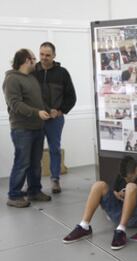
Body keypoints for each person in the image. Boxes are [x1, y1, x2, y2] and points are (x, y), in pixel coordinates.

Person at [62, 156, 137, 250]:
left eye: (130, 177)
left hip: (136, 217)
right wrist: (118, 195)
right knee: (99, 185)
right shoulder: (122, 175)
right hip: (118, 213)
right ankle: (84, 226)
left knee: (131, 186)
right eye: (125, 178)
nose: (126, 180)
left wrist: (131, 199)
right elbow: (114, 191)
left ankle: (121, 231)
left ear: (136, 170)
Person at [3, 49, 52, 207]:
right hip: (22, 129)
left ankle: (34, 191)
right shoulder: (11, 80)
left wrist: (47, 109)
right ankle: (14, 195)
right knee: (22, 162)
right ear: (26, 60)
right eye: (33, 58)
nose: (36, 61)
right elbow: (15, 104)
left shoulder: (31, 78)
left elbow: (37, 100)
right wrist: (37, 113)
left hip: (37, 127)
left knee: (35, 162)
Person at [33, 42, 77, 194]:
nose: (44, 58)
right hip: (36, 119)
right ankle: (34, 183)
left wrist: (60, 111)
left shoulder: (62, 73)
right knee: (35, 151)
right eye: (41, 54)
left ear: (54, 56)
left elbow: (71, 97)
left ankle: (55, 180)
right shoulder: (33, 72)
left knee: (55, 149)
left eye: (47, 55)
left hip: (55, 120)